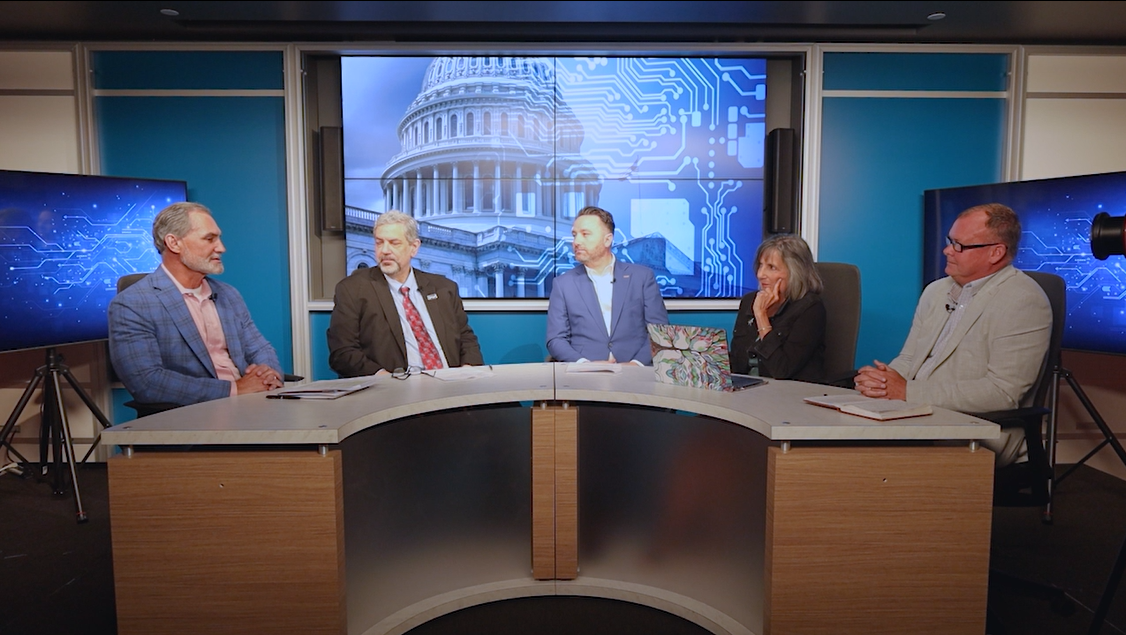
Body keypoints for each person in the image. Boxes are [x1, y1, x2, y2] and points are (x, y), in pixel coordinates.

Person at [853, 203, 1052, 466]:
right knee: (835, 440)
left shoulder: (1023, 300)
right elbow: (910, 358)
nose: (947, 250)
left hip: (976, 429)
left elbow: (1002, 392)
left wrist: (907, 391)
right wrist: (881, 383)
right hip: (915, 412)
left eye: (960, 245)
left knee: (857, 459)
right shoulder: (936, 291)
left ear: (996, 252)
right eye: (950, 241)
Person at [108, 202, 283, 406]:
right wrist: (237, 388)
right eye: (209, 239)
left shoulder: (228, 294)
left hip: (251, 402)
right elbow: (147, 382)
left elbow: (260, 348)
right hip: (193, 413)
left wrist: (269, 375)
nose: (221, 248)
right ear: (174, 243)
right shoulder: (132, 304)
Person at [327, 210, 483, 377]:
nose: (384, 250)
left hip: (450, 382)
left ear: (414, 248)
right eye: (379, 243)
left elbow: (466, 339)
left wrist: (467, 371)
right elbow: (342, 352)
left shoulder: (444, 288)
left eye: (394, 243)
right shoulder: (353, 289)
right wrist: (383, 378)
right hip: (395, 385)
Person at [546, 206, 669, 365]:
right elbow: (556, 339)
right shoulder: (563, 284)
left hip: (636, 371)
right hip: (584, 374)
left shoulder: (642, 277)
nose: (576, 242)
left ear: (607, 240)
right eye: (574, 235)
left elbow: (660, 332)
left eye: (585, 234)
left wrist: (635, 364)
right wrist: (585, 365)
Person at [729, 234, 826, 382]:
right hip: (747, 388)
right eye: (760, 265)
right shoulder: (750, 301)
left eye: (771, 267)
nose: (760, 274)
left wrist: (761, 316)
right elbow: (737, 364)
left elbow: (781, 371)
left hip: (788, 390)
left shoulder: (810, 308)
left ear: (795, 272)